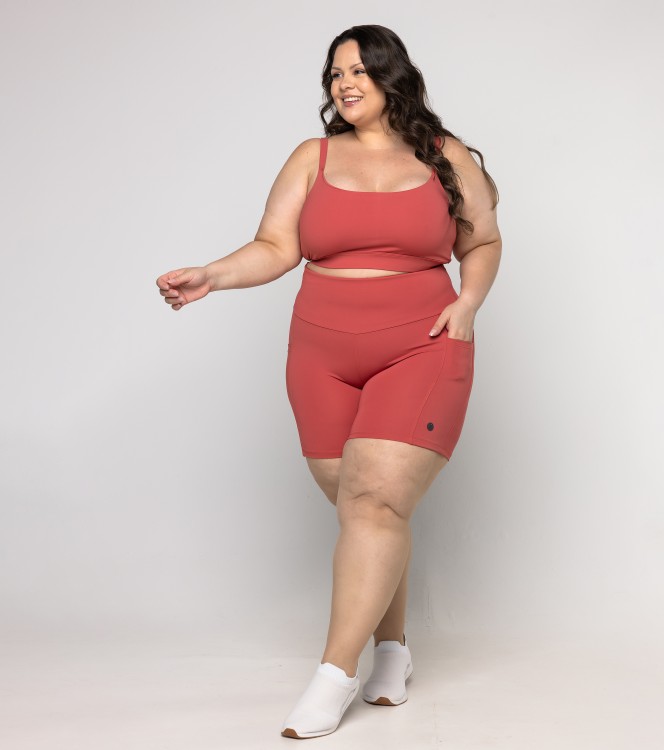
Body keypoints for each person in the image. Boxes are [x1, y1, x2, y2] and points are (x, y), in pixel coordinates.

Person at [155, 24, 502, 740]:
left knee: (375, 499)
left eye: (359, 71)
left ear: (391, 77)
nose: (345, 83)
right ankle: (393, 650)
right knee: (364, 508)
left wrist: (468, 303)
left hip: (422, 345)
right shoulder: (310, 158)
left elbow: (484, 241)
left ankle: (332, 677)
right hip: (320, 352)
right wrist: (213, 275)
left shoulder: (446, 156)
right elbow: (274, 246)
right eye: (335, 73)